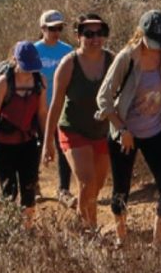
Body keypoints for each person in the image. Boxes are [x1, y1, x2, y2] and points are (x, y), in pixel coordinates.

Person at [96, 10, 161, 247]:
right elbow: (103, 99)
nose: (157, 47)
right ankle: (121, 239)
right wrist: (122, 130)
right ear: (141, 34)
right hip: (125, 133)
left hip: (155, 131)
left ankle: (158, 244)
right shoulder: (127, 57)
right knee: (121, 190)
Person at [43, 14, 114, 230]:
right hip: (73, 129)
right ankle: (87, 230)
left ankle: (84, 214)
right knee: (87, 180)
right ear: (78, 36)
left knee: (97, 185)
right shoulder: (68, 64)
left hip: (102, 130)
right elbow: (55, 105)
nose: (95, 38)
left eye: (100, 33)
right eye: (89, 34)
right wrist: (47, 142)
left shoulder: (112, 60)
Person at [0, 42, 49, 229]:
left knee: (29, 189)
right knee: (9, 191)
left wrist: (47, 144)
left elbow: (42, 114)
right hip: (2, 145)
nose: (29, 71)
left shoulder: (40, 82)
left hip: (28, 143)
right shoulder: (3, 83)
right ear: (15, 61)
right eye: (25, 67)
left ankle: (26, 231)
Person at [34, 10, 77, 208]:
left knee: (63, 148)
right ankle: (33, 186)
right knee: (35, 148)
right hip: (37, 108)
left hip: (61, 108)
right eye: (52, 29)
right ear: (42, 28)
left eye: (59, 28)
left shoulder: (67, 50)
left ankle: (64, 189)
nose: (56, 32)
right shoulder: (34, 51)